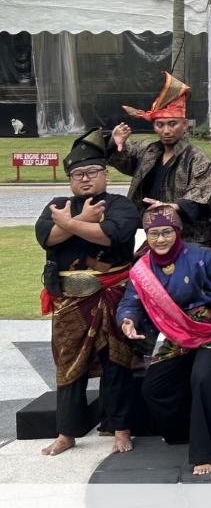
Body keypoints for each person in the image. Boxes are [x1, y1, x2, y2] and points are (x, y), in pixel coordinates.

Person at [118, 204, 211, 476]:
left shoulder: (201, 255)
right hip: (181, 334)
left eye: (166, 232)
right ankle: (181, 433)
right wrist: (128, 319)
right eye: (154, 233)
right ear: (146, 235)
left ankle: (203, 453)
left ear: (177, 231)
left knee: (203, 378)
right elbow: (130, 301)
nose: (160, 239)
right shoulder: (143, 269)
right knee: (154, 387)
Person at [38, 129, 141, 457]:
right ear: (70, 179)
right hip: (70, 299)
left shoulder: (120, 205)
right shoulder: (57, 204)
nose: (85, 178)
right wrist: (81, 219)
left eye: (92, 171)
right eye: (78, 174)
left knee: (117, 361)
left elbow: (112, 236)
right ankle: (67, 433)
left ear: (105, 174)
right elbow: (46, 237)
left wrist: (70, 223)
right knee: (69, 364)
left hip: (113, 292)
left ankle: (120, 428)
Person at [111, 73, 211, 246]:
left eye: (172, 124)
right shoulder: (148, 150)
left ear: (184, 124)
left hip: (193, 239)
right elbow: (127, 158)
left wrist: (172, 207)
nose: (166, 131)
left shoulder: (200, 160)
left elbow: (200, 195)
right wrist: (116, 143)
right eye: (160, 125)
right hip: (156, 234)